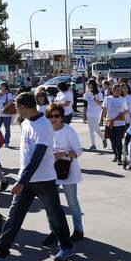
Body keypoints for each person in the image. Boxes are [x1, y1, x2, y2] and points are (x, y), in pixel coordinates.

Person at [0, 92, 74, 261]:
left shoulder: (44, 126)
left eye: (16, 106)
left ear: (23, 107)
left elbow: (37, 157)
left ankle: (66, 246)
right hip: (27, 178)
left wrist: (21, 181)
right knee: (14, 216)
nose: (15, 109)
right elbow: (28, 155)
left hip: (43, 179)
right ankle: (0, 252)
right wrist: (23, 179)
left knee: (55, 214)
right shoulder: (27, 122)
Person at [43, 103, 85, 244]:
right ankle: (54, 231)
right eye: (50, 116)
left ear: (61, 117)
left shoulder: (69, 130)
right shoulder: (45, 130)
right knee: (51, 204)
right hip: (50, 172)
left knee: (72, 203)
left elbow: (78, 151)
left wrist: (64, 153)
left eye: (56, 116)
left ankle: (78, 230)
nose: (53, 119)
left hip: (68, 171)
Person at [100, 84, 128, 164]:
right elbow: (104, 110)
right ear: (112, 91)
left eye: (120, 90)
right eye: (117, 90)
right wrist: (101, 119)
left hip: (120, 124)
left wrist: (123, 114)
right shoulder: (108, 99)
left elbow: (126, 110)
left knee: (118, 141)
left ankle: (119, 158)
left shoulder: (123, 99)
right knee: (113, 142)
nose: (119, 92)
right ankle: (115, 155)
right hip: (110, 123)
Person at [83, 79, 104, 150]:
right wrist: (84, 115)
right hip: (89, 113)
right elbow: (85, 105)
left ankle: (103, 138)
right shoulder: (87, 94)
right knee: (91, 130)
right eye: (88, 84)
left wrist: (96, 100)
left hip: (96, 113)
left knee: (96, 129)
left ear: (93, 84)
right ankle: (93, 145)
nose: (88, 85)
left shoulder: (99, 93)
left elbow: (101, 103)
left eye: (89, 84)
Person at [0, 82, 15, 147]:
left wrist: (3, 109)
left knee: (7, 128)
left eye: (1, 86)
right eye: (0, 86)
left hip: (6, 114)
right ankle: (3, 140)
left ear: (5, 87)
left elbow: (10, 102)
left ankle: (6, 142)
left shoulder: (9, 94)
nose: (0, 87)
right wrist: (0, 93)